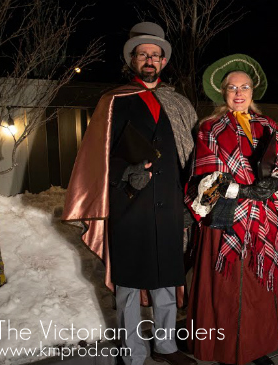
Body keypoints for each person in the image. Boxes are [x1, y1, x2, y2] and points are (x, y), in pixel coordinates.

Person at [62, 22, 197, 365]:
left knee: (166, 281)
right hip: (128, 204)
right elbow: (97, 158)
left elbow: (193, 158)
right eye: (142, 54)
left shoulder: (179, 104)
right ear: (133, 60)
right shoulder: (112, 101)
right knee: (128, 286)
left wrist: (190, 201)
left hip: (169, 205)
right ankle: (132, 353)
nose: (149, 59)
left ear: (164, 61)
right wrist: (126, 176)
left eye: (155, 54)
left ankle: (166, 346)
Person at [185, 54, 278, 365]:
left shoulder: (270, 127)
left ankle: (255, 347)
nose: (239, 93)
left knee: (260, 286)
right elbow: (202, 179)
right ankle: (225, 350)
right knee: (226, 287)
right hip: (226, 220)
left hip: (263, 219)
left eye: (245, 87)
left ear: (254, 91)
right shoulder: (209, 128)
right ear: (222, 93)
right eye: (232, 87)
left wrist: (275, 186)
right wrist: (241, 191)